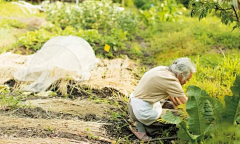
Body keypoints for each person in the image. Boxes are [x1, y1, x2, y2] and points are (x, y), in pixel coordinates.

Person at [128, 57, 196, 141]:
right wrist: (198, 118)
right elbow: (187, 104)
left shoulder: (162, 69)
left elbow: (173, 98)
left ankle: (141, 125)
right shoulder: (171, 80)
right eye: (187, 79)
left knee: (170, 105)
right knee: (180, 116)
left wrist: (177, 107)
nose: (186, 82)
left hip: (133, 106)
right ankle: (150, 129)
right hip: (143, 112)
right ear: (181, 74)